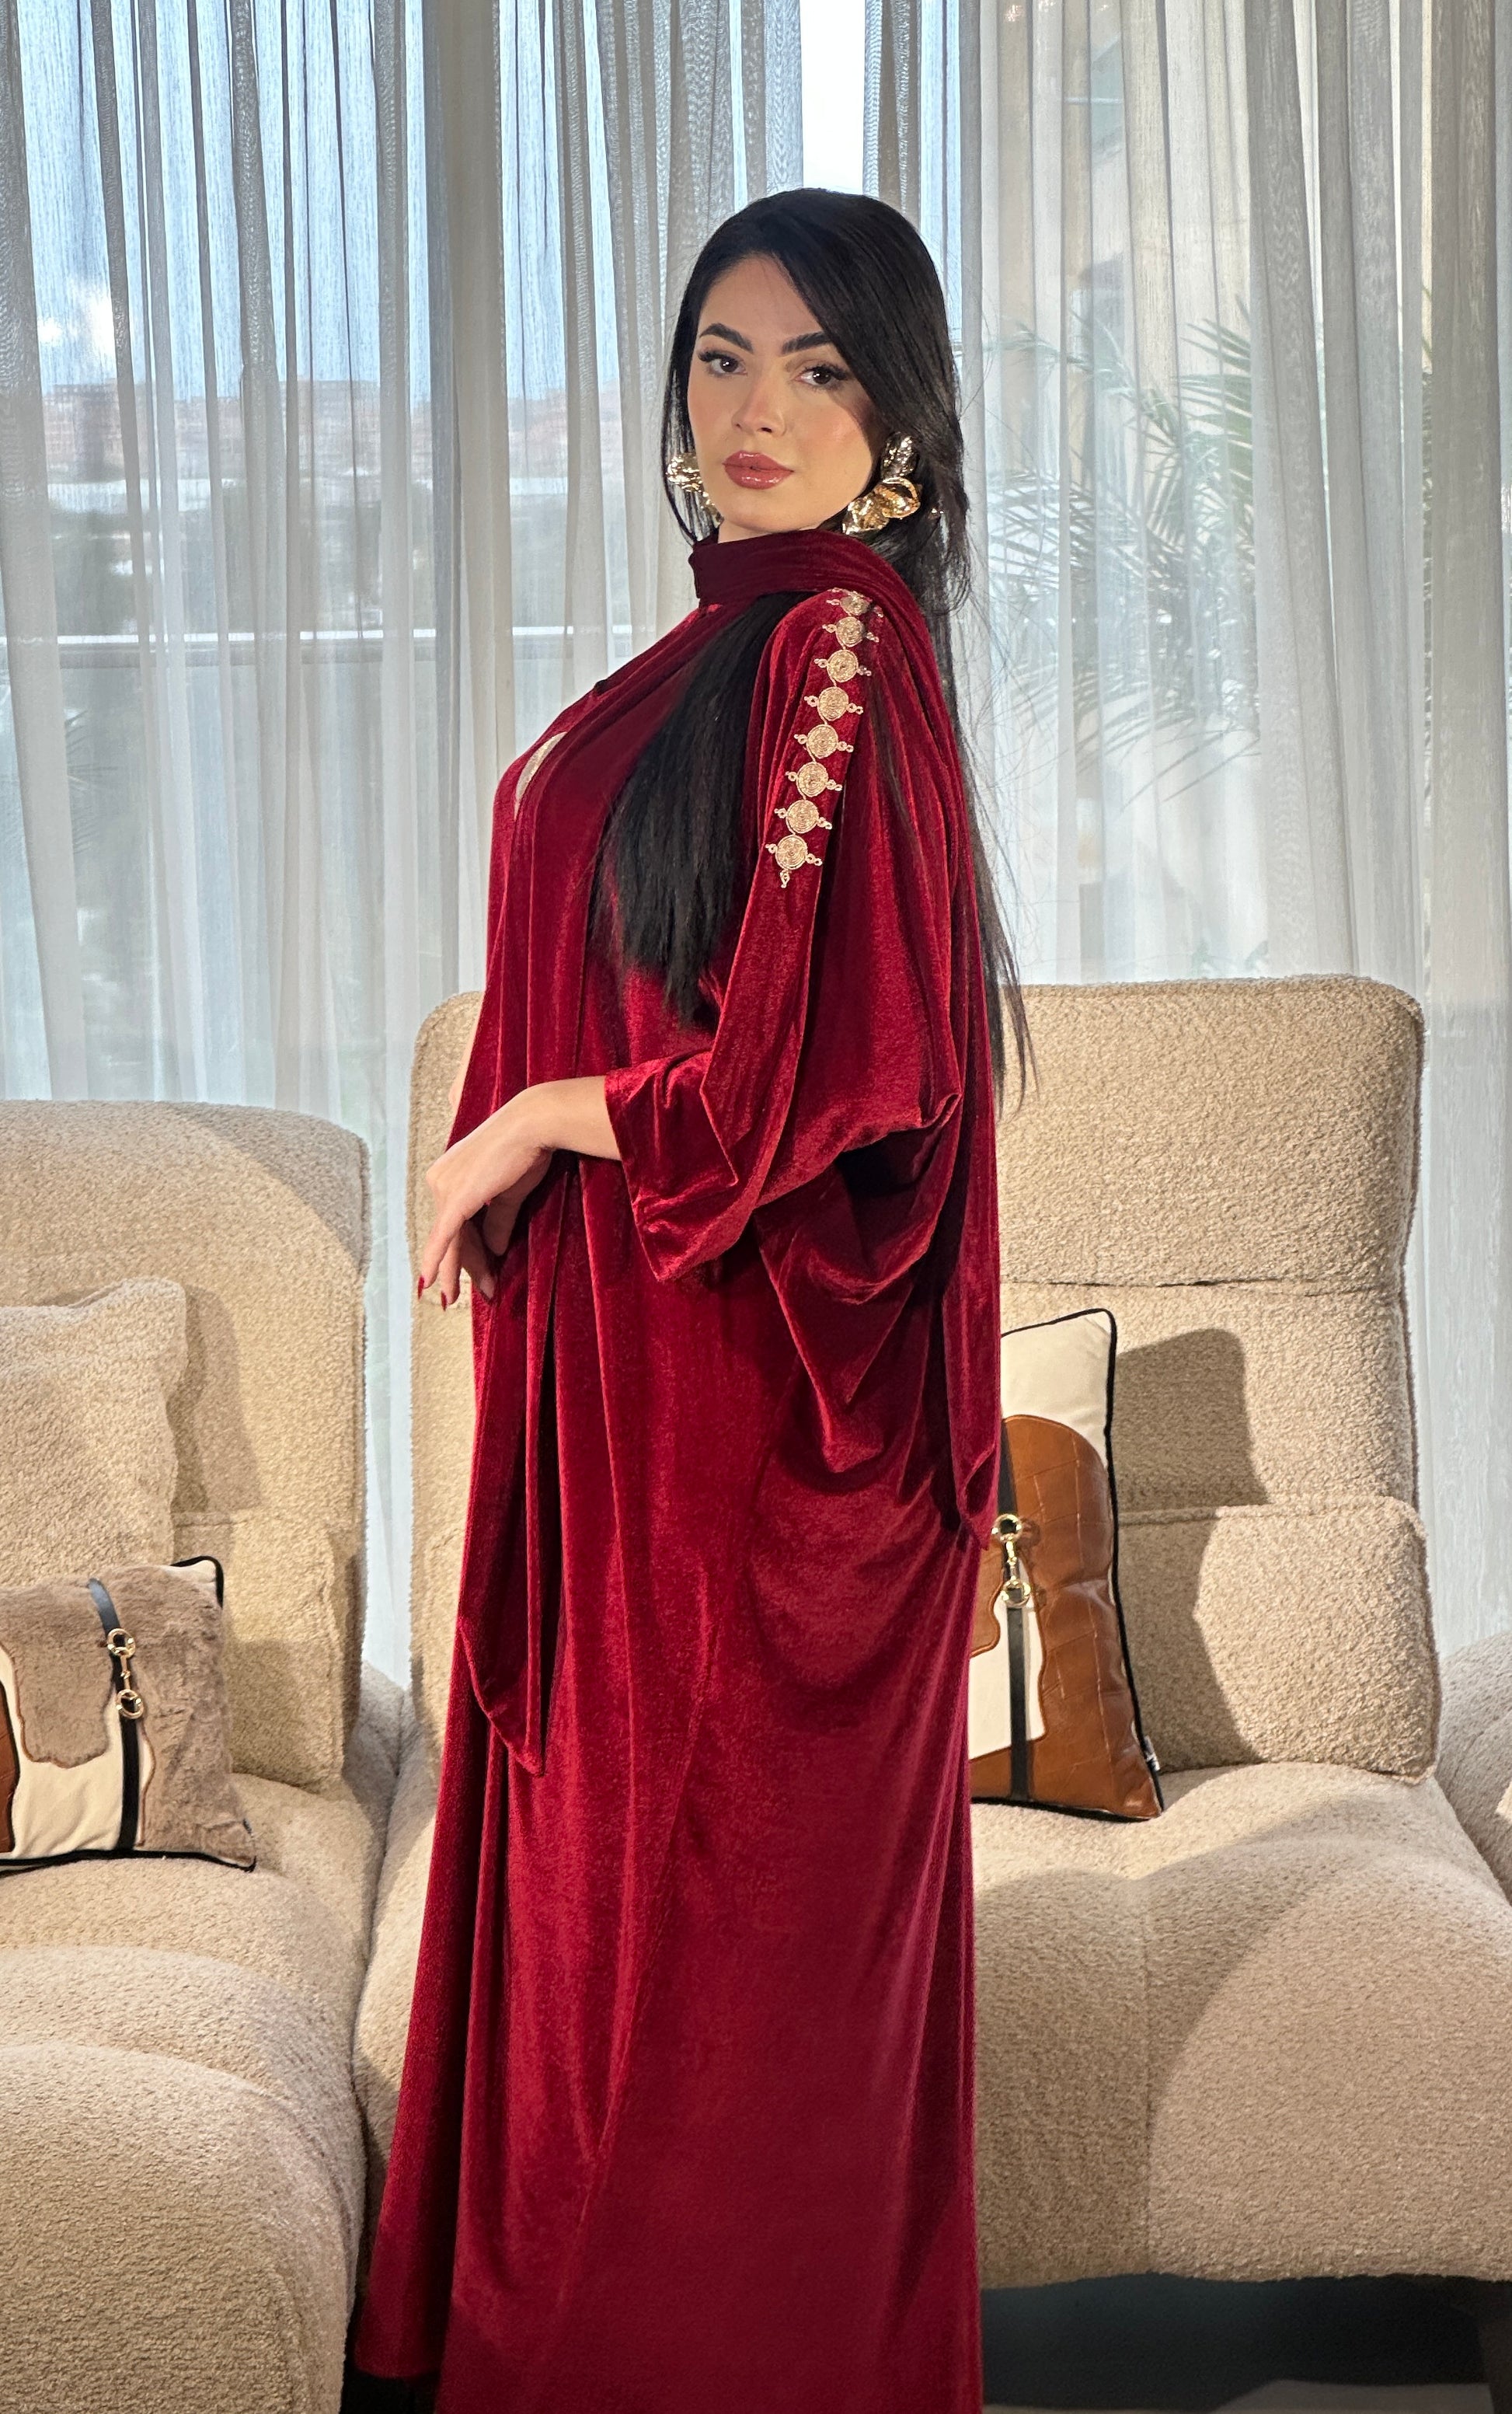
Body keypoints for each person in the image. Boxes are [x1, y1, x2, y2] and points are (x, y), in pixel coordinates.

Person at [350, 187, 1028, 2413]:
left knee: (695, 2037)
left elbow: (809, 1079)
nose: (759, 407)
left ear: (898, 421)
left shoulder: (835, 651)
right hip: (647, 1425)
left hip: (746, 1461)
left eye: (820, 367)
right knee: (616, 1990)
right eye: (723, 356)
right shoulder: (731, 656)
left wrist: (529, 1119)